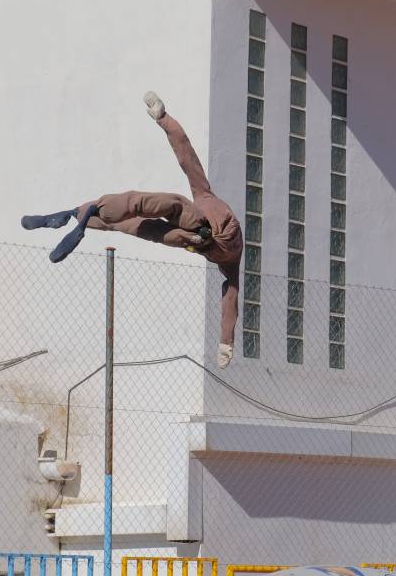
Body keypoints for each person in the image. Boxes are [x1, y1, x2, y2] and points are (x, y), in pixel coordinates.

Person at [22, 92, 243, 369]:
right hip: (190, 236)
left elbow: (230, 299)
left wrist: (226, 341)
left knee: (157, 206)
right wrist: (163, 118)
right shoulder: (207, 201)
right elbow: (186, 155)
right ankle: (79, 213)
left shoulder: (213, 217)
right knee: (133, 224)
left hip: (197, 233)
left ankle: (81, 212)